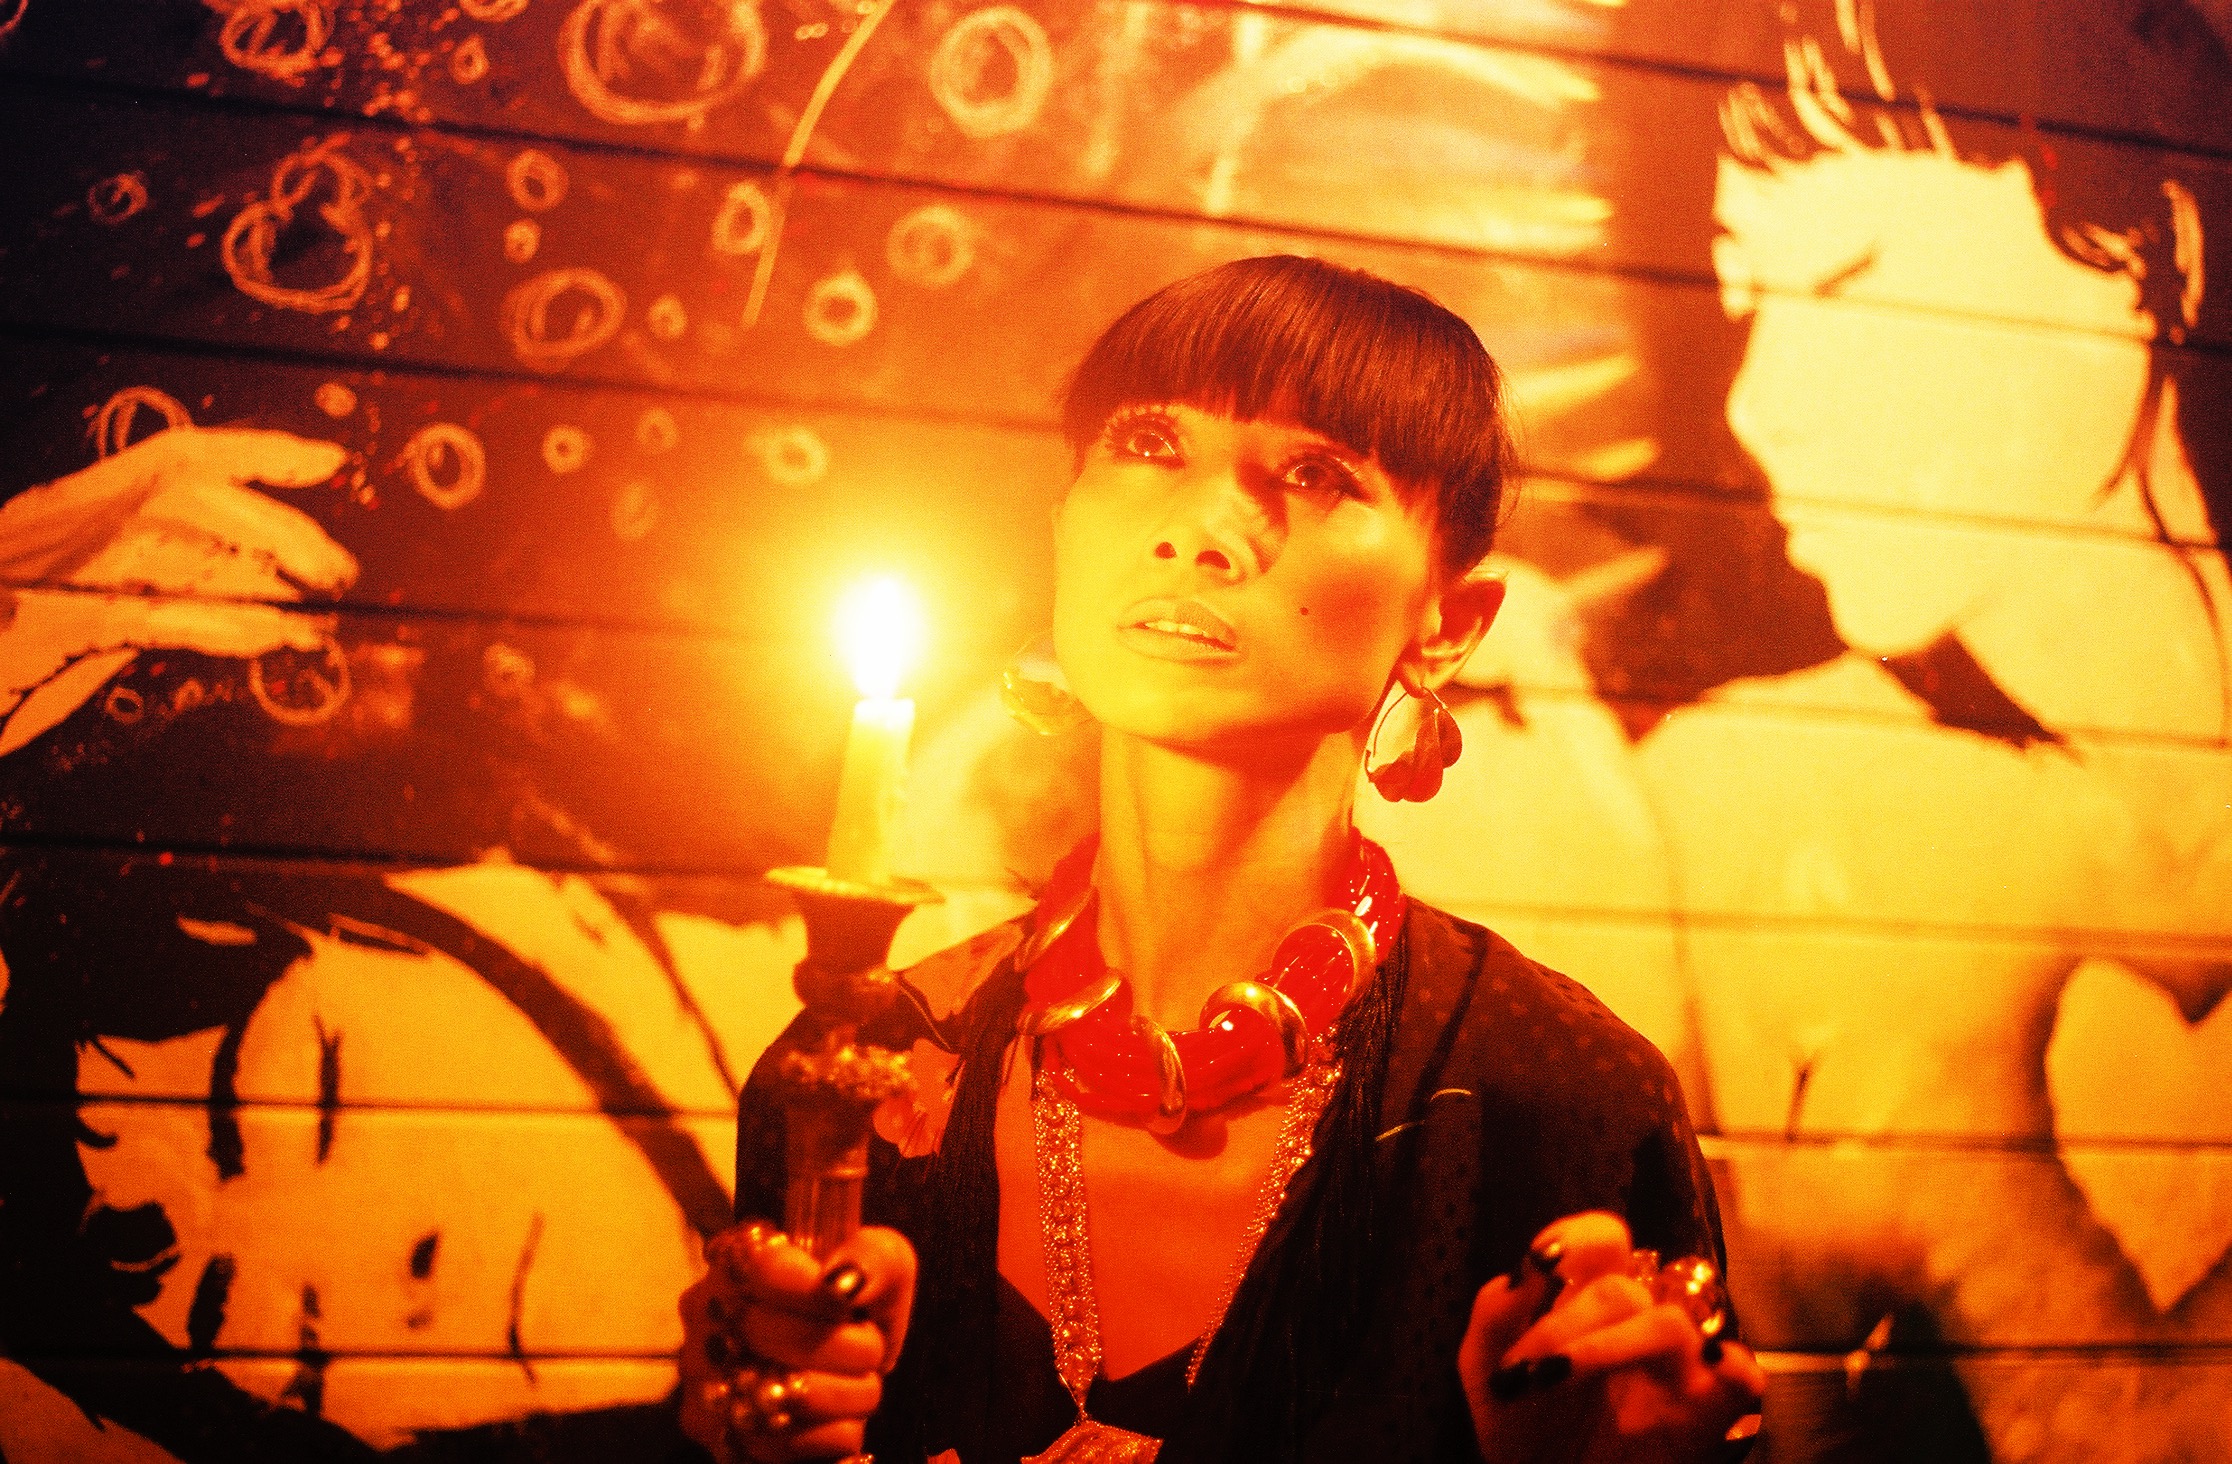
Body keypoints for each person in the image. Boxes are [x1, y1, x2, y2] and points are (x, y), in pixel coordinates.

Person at [678, 256, 1765, 1464]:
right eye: (1148, 444)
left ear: (1447, 624)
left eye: (1315, 472)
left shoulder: (1561, 1102)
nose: (1197, 531)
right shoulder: (852, 1085)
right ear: (1062, 533)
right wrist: (750, 1434)